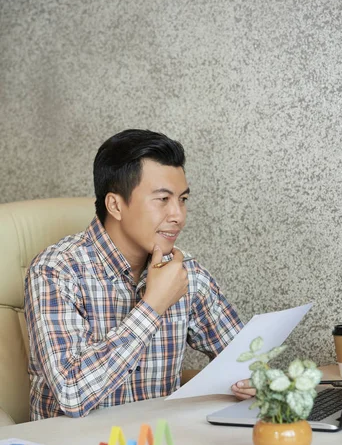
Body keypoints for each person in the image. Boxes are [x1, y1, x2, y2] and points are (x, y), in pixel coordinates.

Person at [25, 129, 255, 419]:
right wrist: (153, 305)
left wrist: (253, 379)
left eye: (182, 199)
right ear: (116, 205)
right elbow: (72, 393)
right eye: (162, 199)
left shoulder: (184, 271)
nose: (178, 216)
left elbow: (246, 358)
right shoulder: (55, 270)